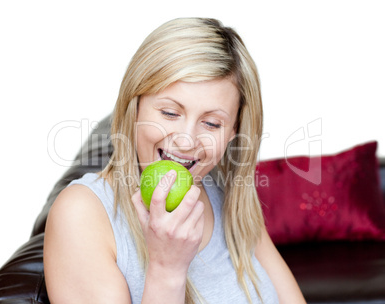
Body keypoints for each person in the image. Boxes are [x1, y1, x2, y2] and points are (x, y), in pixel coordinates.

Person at [43, 17, 306, 304]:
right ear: (135, 106)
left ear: (234, 132)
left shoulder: (229, 196)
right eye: (169, 113)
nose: (186, 140)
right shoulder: (82, 213)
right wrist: (167, 268)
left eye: (212, 124)